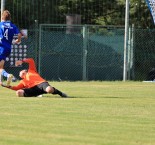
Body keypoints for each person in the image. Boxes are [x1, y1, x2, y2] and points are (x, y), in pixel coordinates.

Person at [0, 58, 68, 98]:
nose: (20, 72)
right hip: (33, 89)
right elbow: (17, 88)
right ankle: (37, 94)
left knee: (49, 90)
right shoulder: (22, 81)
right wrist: (7, 86)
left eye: (21, 71)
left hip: (41, 84)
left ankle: (60, 93)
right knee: (18, 93)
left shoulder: (31, 70)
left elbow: (31, 60)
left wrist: (22, 61)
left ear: (25, 71)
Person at [0, 10, 22, 86]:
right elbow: (19, 35)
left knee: (0, 68)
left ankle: (8, 75)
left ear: (2, 17)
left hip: (1, 48)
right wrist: (18, 40)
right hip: (7, 49)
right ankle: (1, 81)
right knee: (1, 67)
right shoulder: (13, 26)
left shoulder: (0, 24)